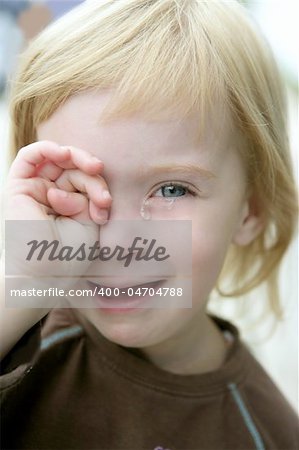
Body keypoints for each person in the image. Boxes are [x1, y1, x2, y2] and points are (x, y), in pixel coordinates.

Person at [1, 1, 298, 449]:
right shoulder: (19, 335)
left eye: (173, 190)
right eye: (79, 187)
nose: (117, 242)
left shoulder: (264, 432)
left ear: (250, 210)